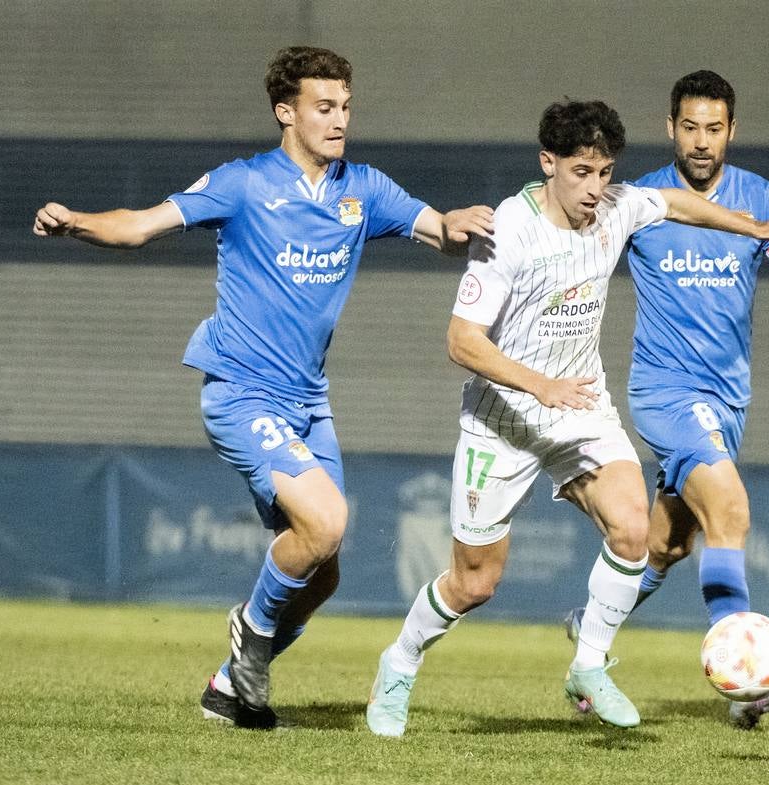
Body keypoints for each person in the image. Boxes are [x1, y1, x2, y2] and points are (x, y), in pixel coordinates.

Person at [32, 46, 494, 729]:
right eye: (323, 108)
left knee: (325, 567)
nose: (339, 121)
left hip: (308, 404)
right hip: (242, 393)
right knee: (327, 521)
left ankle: (230, 686)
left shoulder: (363, 189)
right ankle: (250, 631)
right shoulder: (243, 184)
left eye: (345, 108)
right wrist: (77, 223)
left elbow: (441, 231)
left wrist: (463, 224)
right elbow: (139, 226)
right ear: (287, 112)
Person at [365, 99, 769, 736]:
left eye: (605, 172)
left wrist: (758, 229)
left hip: (580, 404)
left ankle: (588, 664)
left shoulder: (616, 207)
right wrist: (538, 384)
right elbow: (461, 342)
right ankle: (400, 662)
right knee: (475, 582)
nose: (594, 188)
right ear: (548, 163)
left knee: (634, 527)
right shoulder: (508, 231)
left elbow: (678, 205)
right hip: (504, 417)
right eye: (581, 172)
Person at [562, 70, 769, 730]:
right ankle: (747, 682)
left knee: (665, 544)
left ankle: (588, 626)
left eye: (715, 128)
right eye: (690, 127)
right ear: (670, 128)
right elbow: (573, 246)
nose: (702, 141)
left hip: (727, 400)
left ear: (732, 131)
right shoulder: (643, 198)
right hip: (664, 394)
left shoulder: (757, 197)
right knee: (731, 510)